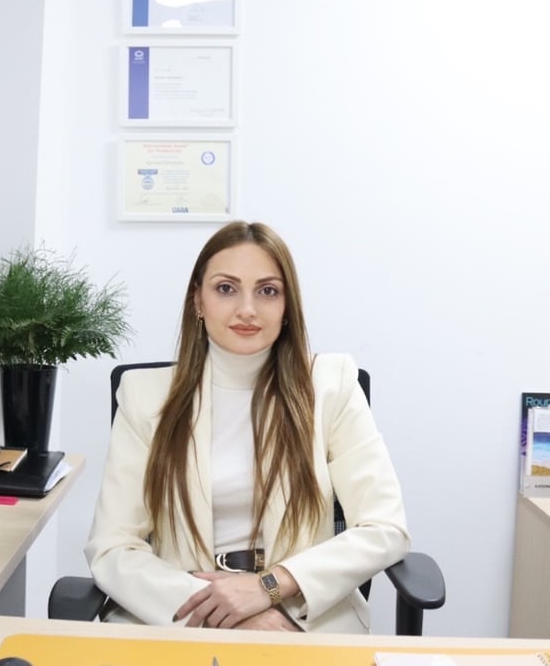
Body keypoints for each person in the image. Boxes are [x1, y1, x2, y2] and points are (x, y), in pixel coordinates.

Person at [85, 221, 409, 633]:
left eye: (268, 291)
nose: (247, 310)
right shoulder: (145, 396)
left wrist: (268, 588)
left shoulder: (332, 385)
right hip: (180, 614)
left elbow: (385, 528)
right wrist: (222, 612)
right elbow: (113, 547)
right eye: (226, 288)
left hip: (303, 616)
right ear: (198, 301)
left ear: (287, 306)